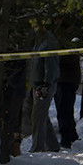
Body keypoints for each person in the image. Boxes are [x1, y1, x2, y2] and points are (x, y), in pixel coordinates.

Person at [22, 18, 61, 152]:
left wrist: (46, 84)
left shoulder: (49, 43)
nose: (34, 29)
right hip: (36, 84)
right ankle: (53, 145)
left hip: (43, 85)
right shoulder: (39, 42)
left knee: (38, 117)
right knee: (41, 115)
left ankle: (37, 148)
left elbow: (51, 67)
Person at [55, 54, 81, 148]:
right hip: (67, 79)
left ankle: (66, 138)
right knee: (67, 110)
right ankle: (72, 135)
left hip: (64, 79)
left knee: (63, 111)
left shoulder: (65, 45)